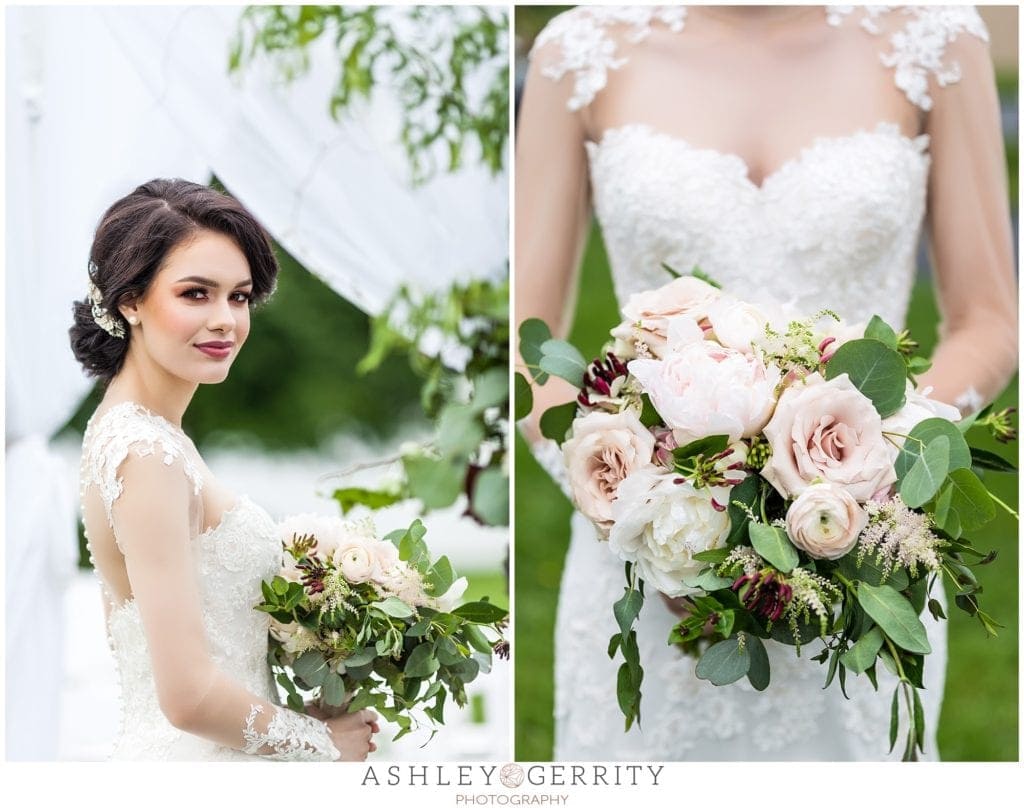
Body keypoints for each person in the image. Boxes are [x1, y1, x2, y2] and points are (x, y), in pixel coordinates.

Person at [516, 5, 1016, 760]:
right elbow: (523, 339)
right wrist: (631, 505)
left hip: (862, 554)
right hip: (649, 567)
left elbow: (988, 318)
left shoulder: (937, 40)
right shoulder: (579, 53)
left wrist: (876, 476)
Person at [71, 179, 380, 760]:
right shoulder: (144, 454)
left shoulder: (138, 434)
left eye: (239, 297)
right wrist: (321, 744)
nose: (225, 321)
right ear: (129, 301)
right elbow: (185, 697)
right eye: (196, 294)